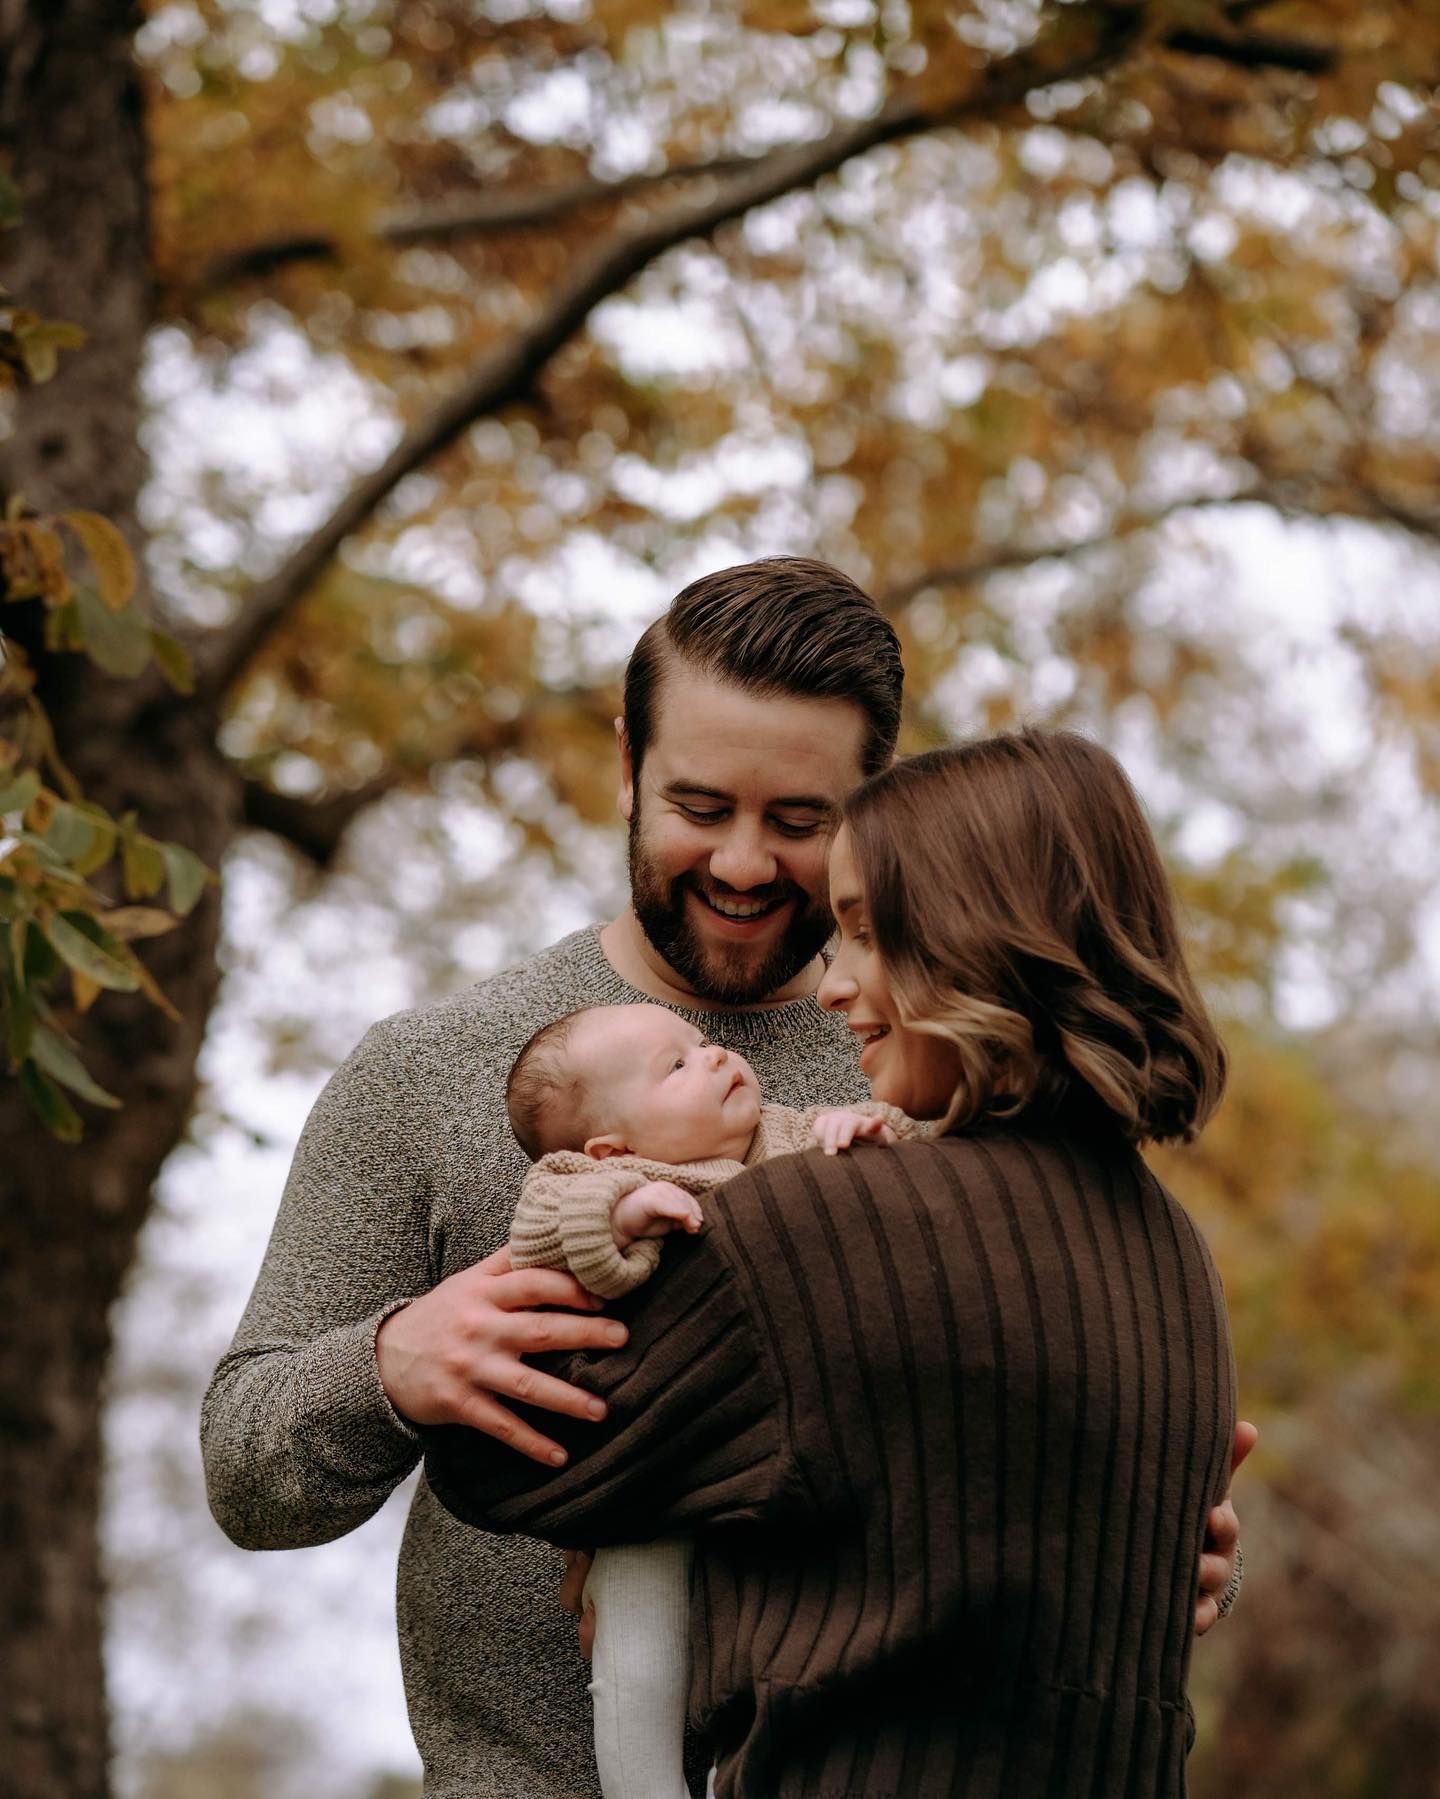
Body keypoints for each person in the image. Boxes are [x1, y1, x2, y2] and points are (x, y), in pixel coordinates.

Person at [200, 561, 1245, 1798]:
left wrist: (1125, 1528)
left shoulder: (930, 1070)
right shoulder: (432, 1069)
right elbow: (247, 1475)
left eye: (799, 822)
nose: (745, 864)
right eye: (700, 804)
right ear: (628, 773)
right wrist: (390, 1367)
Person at [425, 728, 1242, 1798]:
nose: (832, 985)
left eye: (862, 932)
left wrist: (420, 1351)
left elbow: (504, 1459)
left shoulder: (820, 1230)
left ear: (969, 940)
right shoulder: (1175, 1258)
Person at [505, 1001, 924, 1799]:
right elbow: (542, 1224)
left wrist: (873, 1138)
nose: (716, 1058)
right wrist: (623, 1210)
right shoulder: (606, 1178)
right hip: (653, 1483)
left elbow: (927, 1166)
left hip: (784, 1477)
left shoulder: (798, 1136)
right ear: (612, 1144)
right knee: (636, 1639)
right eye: (676, 1066)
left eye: (703, 1044)